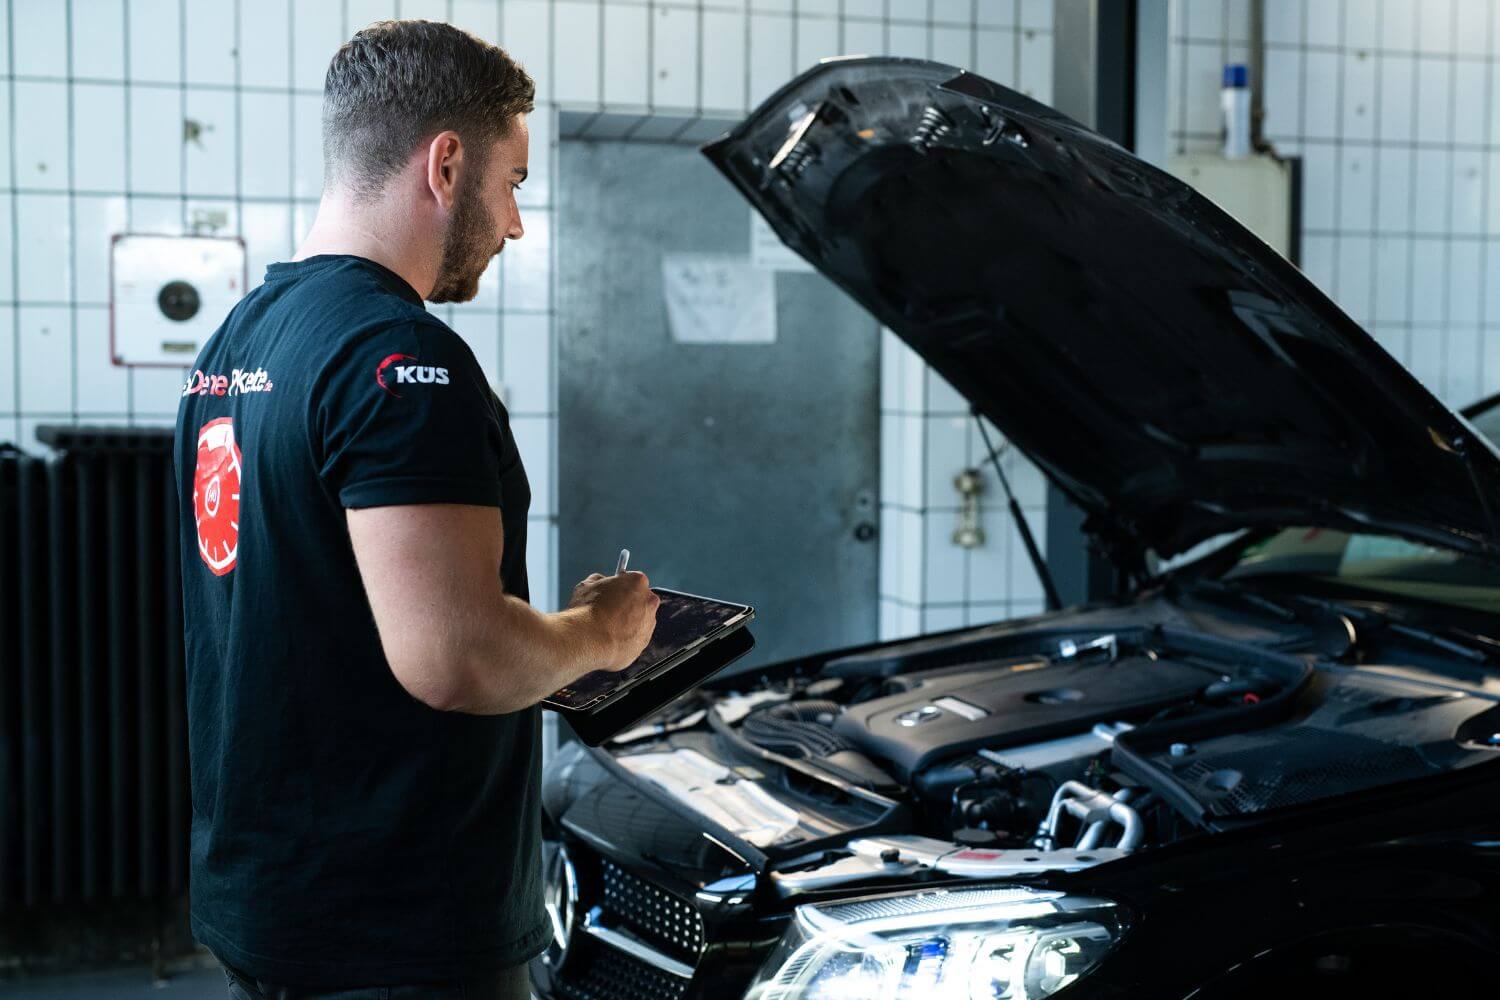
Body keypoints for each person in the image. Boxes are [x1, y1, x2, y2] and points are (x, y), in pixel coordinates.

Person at [171, 20, 659, 1000]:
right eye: (512, 182)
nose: (516, 223)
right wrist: (601, 634)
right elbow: (458, 658)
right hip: (396, 929)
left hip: (272, 896)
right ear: (445, 163)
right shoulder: (399, 359)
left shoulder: (242, 338)